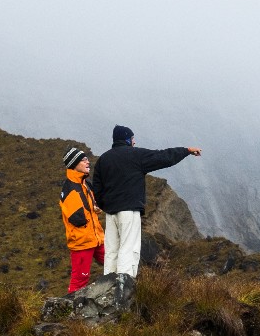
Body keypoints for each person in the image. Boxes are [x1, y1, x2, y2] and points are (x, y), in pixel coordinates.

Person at [91, 125, 200, 281]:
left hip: (110, 213)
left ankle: (108, 284)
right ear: (127, 139)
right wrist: (186, 151)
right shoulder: (136, 155)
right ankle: (123, 287)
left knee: (112, 250)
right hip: (129, 211)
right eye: (132, 138)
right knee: (128, 248)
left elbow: (97, 188)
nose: (134, 142)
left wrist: (105, 206)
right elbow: (163, 157)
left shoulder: (103, 159)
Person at [58, 146, 105, 292]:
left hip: (97, 238)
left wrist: (95, 208)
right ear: (74, 164)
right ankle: (70, 311)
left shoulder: (85, 184)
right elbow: (77, 218)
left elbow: (91, 208)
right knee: (80, 280)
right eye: (83, 160)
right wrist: (91, 211)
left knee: (115, 264)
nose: (87, 162)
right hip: (82, 243)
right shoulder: (70, 189)